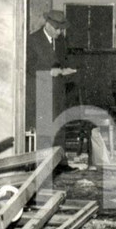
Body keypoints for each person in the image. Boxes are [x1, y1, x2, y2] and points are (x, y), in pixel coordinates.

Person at [26, 9, 77, 143]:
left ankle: (60, 162)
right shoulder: (32, 40)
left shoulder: (60, 41)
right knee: (44, 134)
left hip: (58, 91)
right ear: (47, 25)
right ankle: (44, 163)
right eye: (57, 29)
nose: (60, 32)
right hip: (40, 91)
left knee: (59, 128)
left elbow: (62, 62)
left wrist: (65, 70)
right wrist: (49, 72)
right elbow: (28, 66)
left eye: (62, 29)